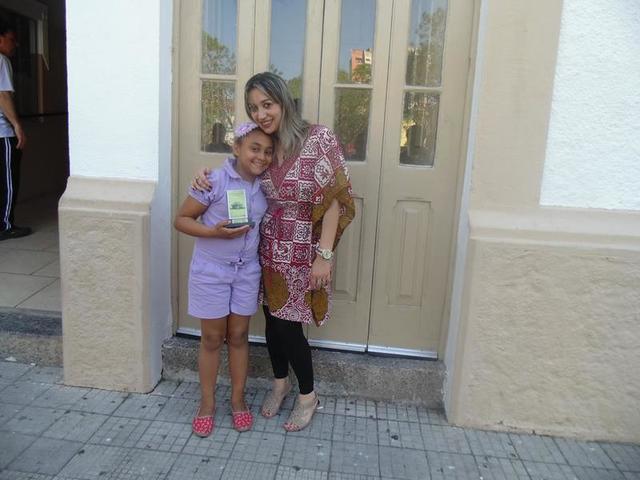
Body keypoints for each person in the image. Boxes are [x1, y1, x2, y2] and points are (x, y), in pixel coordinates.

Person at [195, 72, 355, 431]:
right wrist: (203, 176)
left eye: (267, 104)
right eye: (254, 108)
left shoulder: (318, 139)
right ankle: (280, 384)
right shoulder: (264, 144)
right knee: (271, 322)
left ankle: (308, 396)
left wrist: (324, 256)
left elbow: (334, 200)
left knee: (289, 326)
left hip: (303, 251)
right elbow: (235, 170)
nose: (261, 114)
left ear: (283, 101)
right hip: (266, 249)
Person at [175, 121, 273, 437]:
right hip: (211, 271)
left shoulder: (267, 184)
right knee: (212, 338)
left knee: (240, 336)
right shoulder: (213, 181)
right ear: (237, 148)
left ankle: (238, 400)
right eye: (254, 148)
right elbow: (182, 219)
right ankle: (207, 404)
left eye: (268, 151)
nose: (261, 157)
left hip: (246, 271)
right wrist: (213, 232)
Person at [0, 19, 29, 241]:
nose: (15, 44)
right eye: (11, 39)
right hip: (2, 133)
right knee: (9, 180)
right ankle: (6, 226)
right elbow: (3, 95)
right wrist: (17, 125)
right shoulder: (1, 60)